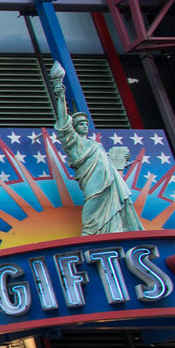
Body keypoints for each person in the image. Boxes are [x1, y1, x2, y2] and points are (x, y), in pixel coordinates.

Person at [49, 61, 143, 235]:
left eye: (86, 123)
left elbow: (106, 165)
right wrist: (59, 92)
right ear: (73, 127)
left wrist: (119, 163)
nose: (84, 126)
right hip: (92, 183)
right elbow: (63, 120)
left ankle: (112, 232)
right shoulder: (73, 142)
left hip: (109, 182)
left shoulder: (96, 145)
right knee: (92, 205)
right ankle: (89, 233)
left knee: (115, 208)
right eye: (80, 123)